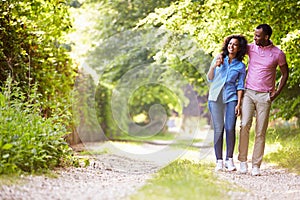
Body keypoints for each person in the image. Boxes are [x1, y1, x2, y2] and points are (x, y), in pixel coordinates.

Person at [236, 24, 289, 176]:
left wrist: (276, 92)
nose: (255, 38)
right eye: (255, 35)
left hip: (265, 96)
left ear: (266, 37)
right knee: (244, 125)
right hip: (248, 93)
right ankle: (243, 161)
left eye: (258, 36)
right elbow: (234, 49)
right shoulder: (251, 48)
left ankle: (256, 165)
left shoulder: (278, 53)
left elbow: (285, 73)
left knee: (260, 131)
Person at [207, 35, 248, 172]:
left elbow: (240, 85)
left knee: (230, 128)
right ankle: (219, 161)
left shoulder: (241, 66)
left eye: (235, 44)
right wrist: (214, 66)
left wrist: (239, 104)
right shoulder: (219, 58)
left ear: (239, 48)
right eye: (230, 44)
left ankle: (229, 160)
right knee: (219, 129)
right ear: (227, 45)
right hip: (215, 97)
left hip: (231, 98)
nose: (232, 46)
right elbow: (209, 78)